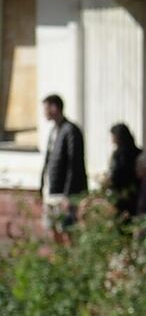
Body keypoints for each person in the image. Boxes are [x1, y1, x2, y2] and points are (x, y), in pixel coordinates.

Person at [39, 95, 85, 235]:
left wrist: (68, 194)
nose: (44, 112)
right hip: (52, 190)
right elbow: (48, 161)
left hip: (64, 193)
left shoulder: (70, 130)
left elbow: (74, 164)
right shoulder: (54, 131)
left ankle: (71, 256)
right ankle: (59, 256)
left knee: (67, 228)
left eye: (46, 108)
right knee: (53, 227)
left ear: (54, 108)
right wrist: (41, 185)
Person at [107, 123, 140, 218]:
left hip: (121, 195)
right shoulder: (137, 152)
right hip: (135, 194)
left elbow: (115, 175)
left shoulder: (119, 155)